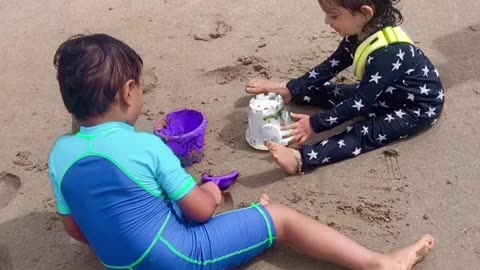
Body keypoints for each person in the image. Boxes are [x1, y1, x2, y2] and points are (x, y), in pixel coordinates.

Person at [49, 33, 434, 270]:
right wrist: (212, 192)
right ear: (129, 91)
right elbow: (200, 213)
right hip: (178, 259)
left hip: (116, 261)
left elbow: (76, 230)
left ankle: (248, 221)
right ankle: (378, 263)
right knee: (280, 218)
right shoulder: (146, 146)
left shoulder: (60, 154)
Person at [246, 0, 444, 175]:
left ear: (365, 13)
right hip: (384, 95)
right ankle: (288, 92)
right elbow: (329, 67)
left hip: (416, 109)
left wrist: (315, 124)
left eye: (333, 15)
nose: (327, 21)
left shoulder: (388, 53)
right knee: (333, 91)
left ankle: (300, 159)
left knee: (362, 133)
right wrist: (292, 88)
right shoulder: (359, 35)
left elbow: (358, 105)